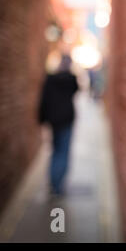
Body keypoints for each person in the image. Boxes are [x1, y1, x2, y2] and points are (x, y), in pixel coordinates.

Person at [39, 55, 78, 195]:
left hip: (54, 121)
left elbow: (44, 100)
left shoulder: (51, 79)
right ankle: (58, 185)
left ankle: (53, 182)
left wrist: (42, 119)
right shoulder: (71, 79)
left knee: (55, 151)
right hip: (66, 120)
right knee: (64, 151)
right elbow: (76, 89)